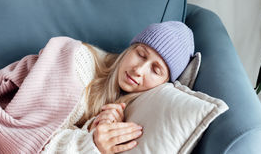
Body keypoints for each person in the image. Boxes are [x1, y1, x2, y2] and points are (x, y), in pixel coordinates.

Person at [40, 21, 195, 154]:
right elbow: (33, 137)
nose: (139, 70)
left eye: (155, 70)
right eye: (141, 54)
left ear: (163, 83)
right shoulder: (78, 62)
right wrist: (89, 143)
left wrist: (92, 131)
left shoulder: (124, 111)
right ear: (130, 50)